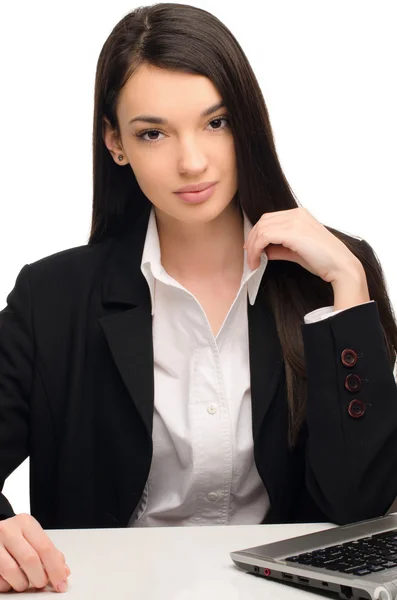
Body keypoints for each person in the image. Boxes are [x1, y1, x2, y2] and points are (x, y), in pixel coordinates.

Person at [1, 2, 397, 594]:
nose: (192, 161)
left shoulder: (331, 277)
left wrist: (349, 287)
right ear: (115, 142)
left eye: (216, 122)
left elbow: (362, 507)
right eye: (153, 133)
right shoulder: (52, 298)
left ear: (248, 124)